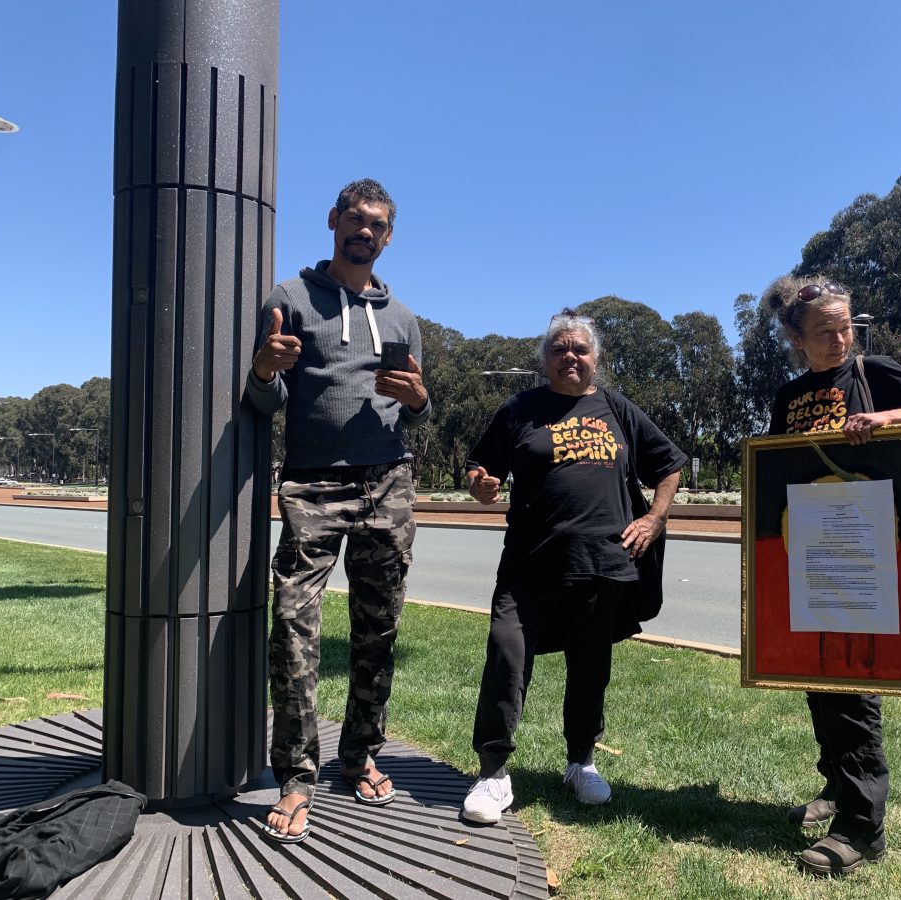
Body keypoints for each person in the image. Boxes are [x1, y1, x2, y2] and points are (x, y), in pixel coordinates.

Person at [763, 276, 901, 876]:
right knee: (817, 673)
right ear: (797, 338)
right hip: (810, 546)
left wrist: (885, 419)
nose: (840, 338)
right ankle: (835, 788)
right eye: (825, 331)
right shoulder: (790, 394)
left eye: (846, 326)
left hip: (866, 548)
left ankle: (861, 828)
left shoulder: (871, 373)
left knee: (853, 681)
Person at [248, 179, 431, 843]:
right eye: (356, 219)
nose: (366, 231)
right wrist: (266, 371)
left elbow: (418, 410)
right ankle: (297, 776)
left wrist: (417, 401)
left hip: (389, 482)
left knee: (377, 631)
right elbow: (262, 403)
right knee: (293, 627)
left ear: (388, 236)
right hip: (311, 484)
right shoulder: (289, 299)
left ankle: (359, 753)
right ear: (333, 221)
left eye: (378, 224)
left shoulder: (404, 317)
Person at [459, 311, 687, 824]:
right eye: (560, 349)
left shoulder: (617, 409)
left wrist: (652, 518)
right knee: (507, 654)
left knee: (590, 668)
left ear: (595, 359)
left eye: (580, 349)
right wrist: (480, 483)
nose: (570, 357)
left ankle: (581, 762)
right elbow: (480, 467)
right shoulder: (520, 409)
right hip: (529, 564)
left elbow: (669, 465)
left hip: (600, 565)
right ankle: (493, 773)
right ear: (544, 360)